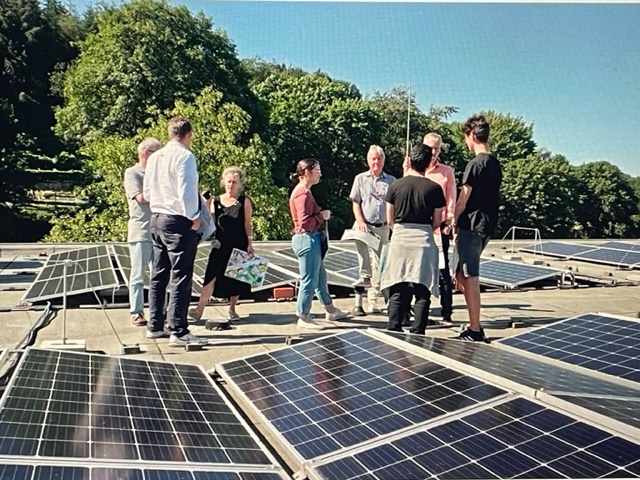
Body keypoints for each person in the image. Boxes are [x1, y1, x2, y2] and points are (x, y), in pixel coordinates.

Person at [143, 116, 207, 347]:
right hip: (178, 221)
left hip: (156, 218)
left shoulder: (155, 157)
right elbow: (186, 191)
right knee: (181, 276)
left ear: (170, 133)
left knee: (159, 274)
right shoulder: (185, 156)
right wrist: (195, 218)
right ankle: (178, 330)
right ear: (189, 135)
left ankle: (155, 325)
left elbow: (147, 192)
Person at [381, 144, 445, 334]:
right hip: (423, 240)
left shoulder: (395, 186)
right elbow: (437, 221)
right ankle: (418, 331)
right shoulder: (434, 188)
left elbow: (389, 219)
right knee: (423, 290)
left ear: (410, 161)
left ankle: (394, 328)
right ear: (429, 163)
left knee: (397, 286)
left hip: (400, 239)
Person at [453, 114, 502, 343]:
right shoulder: (494, 163)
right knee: (460, 274)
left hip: (471, 225)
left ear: (472, 136)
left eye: (466, 137)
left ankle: (475, 329)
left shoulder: (475, 164)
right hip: (487, 226)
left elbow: (463, 199)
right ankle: (474, 319)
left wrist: (452, 220)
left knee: (470, 275)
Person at [289, 158, 349, 330]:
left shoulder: (304, 191)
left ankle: (330, 309)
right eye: (317, 171)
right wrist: (322, 216)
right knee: (309, 279)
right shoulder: (302, 194)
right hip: (306, 239)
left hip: (309, 239)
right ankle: (303, 316)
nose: (320, 174)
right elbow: (304, 223)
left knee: (320, 277)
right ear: (306, 172)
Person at [189, 166, 253, 322]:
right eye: (229, 181)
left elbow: (247, 224)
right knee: (211, 275)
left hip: (238, 243)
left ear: (240, 183)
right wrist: (205, 204)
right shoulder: (216, 201)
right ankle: (199, 309)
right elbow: (208, 222)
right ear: (224, 182)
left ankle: (232, 308)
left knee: (236, 278)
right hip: (220, 243)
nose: (231, 185)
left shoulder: (244, 201)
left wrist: (250, 243)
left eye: (234, 182)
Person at [349, 145, 395, 313]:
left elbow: (394, 204)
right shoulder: (360, 179)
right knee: (362, 252)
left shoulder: (391, 181)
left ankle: (374, 300)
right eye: (373, 159)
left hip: (382, 227)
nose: (376, 162)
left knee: (381, 265)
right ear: (368, 160)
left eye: (379, 158)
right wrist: (360, 220)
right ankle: (364, 277)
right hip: (364, 224)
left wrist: (392, 225)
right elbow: (356, 202)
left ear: (383, 160)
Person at [124, 137, 162, 326]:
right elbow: (140, 198)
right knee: (138, 275)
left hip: (159, 230)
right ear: (147, 153)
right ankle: (136, 312)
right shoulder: (132, 173)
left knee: (159, 274)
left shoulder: (159, 174)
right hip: (141, 230)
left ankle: (159, 311)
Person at [423, 133, 457, 322]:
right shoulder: (414, 169)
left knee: (443, 270)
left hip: (440, 227)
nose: (434, 152)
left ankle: (447, 312)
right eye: (430, 148)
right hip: (420, 225)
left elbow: (451, 196)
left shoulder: (446, 171)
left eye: (437, 148)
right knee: (420, 270)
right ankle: (421, 311)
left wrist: (449, 221)